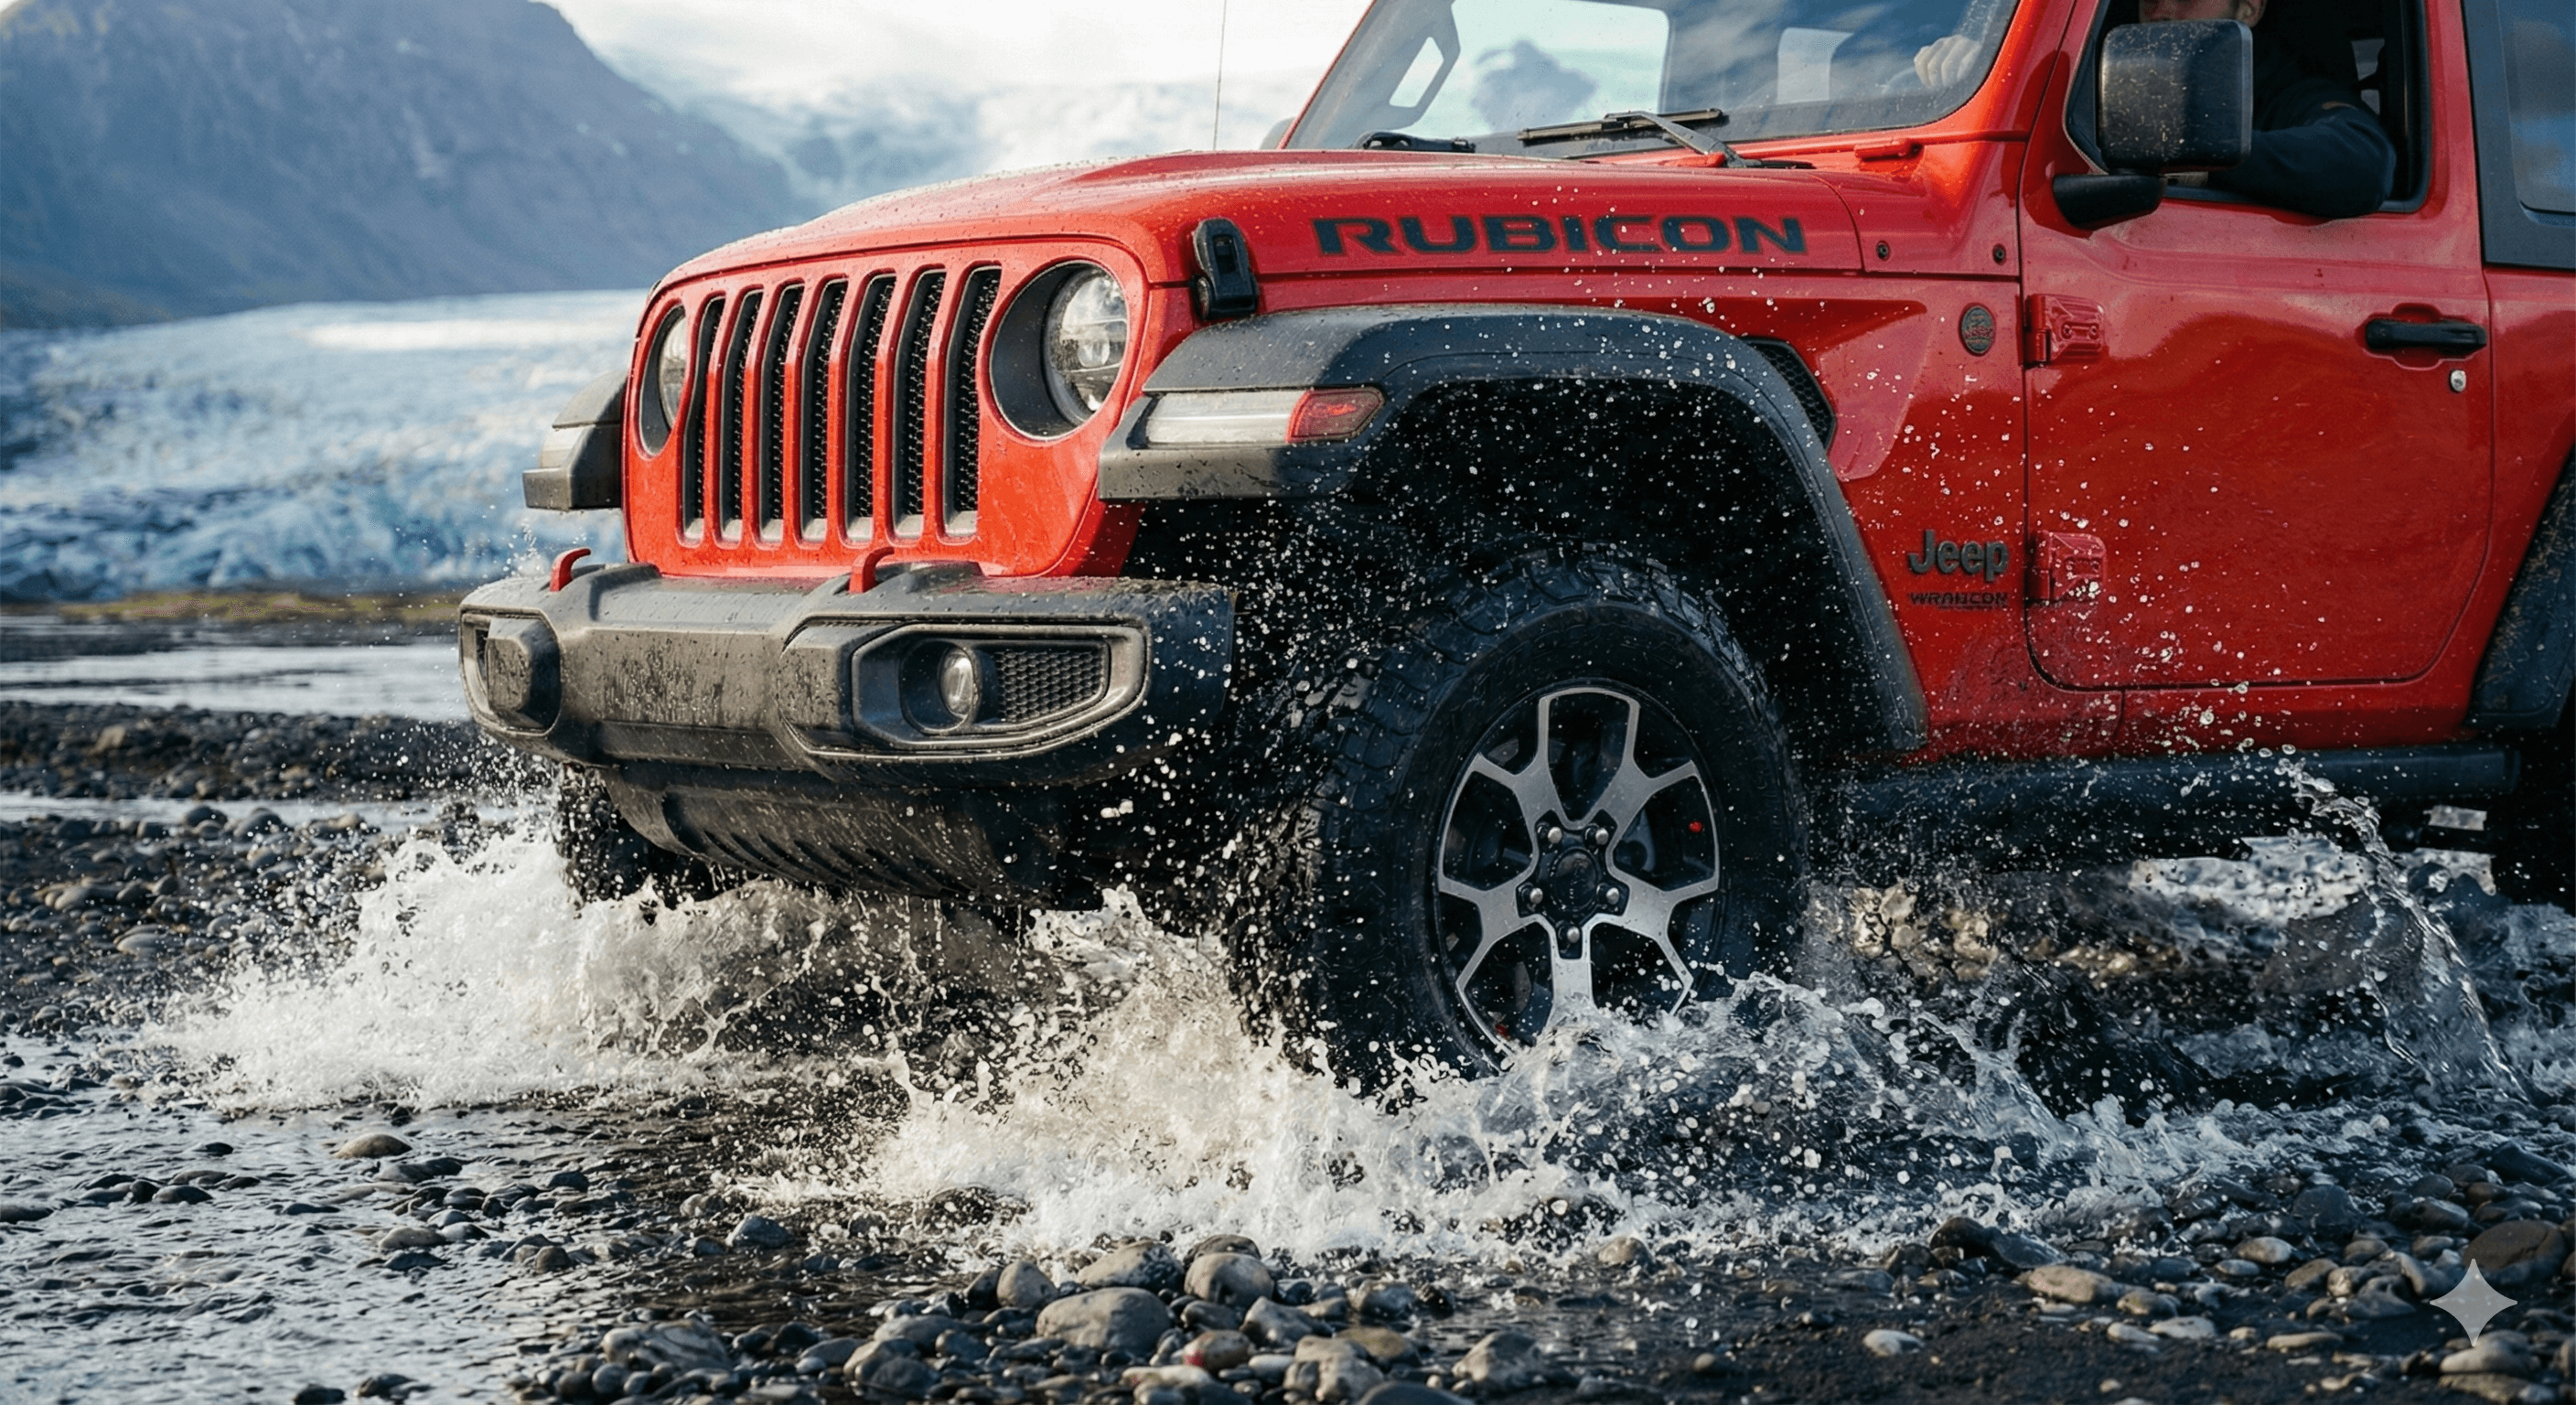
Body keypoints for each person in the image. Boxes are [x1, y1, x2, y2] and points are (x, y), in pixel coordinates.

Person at [1915, 0, 2395, 218]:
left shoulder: (2286, 93)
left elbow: (2364, 160)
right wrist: (1979, 62)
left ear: (2248, 9)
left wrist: (2205, 166)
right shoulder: (2092, 67)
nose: (2159, 8)